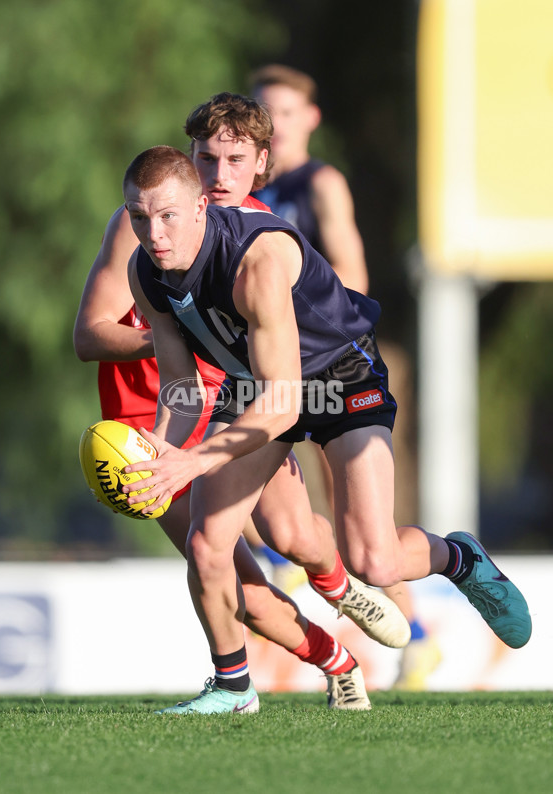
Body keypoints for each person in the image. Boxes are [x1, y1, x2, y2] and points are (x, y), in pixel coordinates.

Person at [121, 145, 532, 715]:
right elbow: (179, 384)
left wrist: (193, 462)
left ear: (199, 208)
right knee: (207, 543)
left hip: (338, 376)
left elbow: (285, 405)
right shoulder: (145, 271)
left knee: (376, 561)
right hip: (258, 382)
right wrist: (159, 453)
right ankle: (233, 689)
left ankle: (459, 558)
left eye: (166, 215)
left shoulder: (255, 259)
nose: (153, 232)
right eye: (139, 217)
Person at [74, 93, 410, 712]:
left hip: (266, 393)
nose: (220, 174)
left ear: (259, 163)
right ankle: (302, 671)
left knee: (304, 537)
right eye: (207, 157)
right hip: (165, 421)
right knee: (219, 560)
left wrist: (196, 438)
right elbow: (92, 335)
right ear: (191, 161)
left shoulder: (259, 242)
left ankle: (341, 582)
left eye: (234, 160)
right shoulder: (145, 236)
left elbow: (285, 378)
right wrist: (169, 430)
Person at [251, 63, 442, 689]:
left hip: (327, 365)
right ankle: (305, 575)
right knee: (281, 515)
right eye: (263, 112)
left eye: (284, 111)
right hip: (268, 369)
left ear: (310, 119)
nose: (274, 124)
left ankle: (416, 636)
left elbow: (351, 272)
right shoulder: (240, 193)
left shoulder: (320, 181)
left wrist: (315, 340)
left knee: (362, 538)